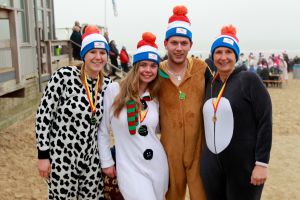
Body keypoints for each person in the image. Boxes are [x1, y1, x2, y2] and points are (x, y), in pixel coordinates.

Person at [35, 25, 112, 199]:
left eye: (102, 53)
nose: (98, 57)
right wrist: (43, 156)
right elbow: (43, 115)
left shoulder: (107, 86)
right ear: (84, 54)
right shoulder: (64, 76)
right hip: (62, 158)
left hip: (92, 160)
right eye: (93, 52)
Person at [200, 25, 272, 200]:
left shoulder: (249, 80)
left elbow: (265, 121)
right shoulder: (210, 84)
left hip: (243, 166)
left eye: (228, 52)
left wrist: (261, 163)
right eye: (218, 52)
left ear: (236, 55)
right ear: (212, 56)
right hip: (211, 168)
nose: (223, 57)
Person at [98, 32, 169, 200]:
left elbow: (158, 129)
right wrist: (106, 161)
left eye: (153, 66)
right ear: (135, 66)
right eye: (143, 65)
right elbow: (103, 130)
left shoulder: (156, 96)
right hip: (129, 166)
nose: (148, 70)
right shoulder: (113, 90)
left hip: (157, 165)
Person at [158, 5, 209, 200]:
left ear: (190, 44)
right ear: (166, 43)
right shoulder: (156, 72)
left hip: (199, 151)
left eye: (184, 43)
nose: (179, 48)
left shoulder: (201, 68)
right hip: (169, 153)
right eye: (174, 43)